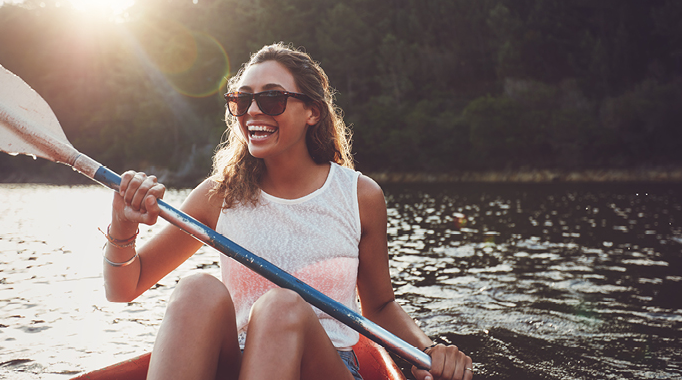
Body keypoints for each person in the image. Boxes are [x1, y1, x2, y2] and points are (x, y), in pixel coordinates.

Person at [102, 43, 473, 380]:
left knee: (282, 306)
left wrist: (428, 352)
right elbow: (125, 288)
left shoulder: (359, 195)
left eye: (272, 99)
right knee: (196, 288)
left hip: (327, 366)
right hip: (239, 366)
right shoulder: (219, 195)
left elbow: (380, 305)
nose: (253, 112)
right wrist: (122, 226)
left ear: (313, 111)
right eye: (242, 100)